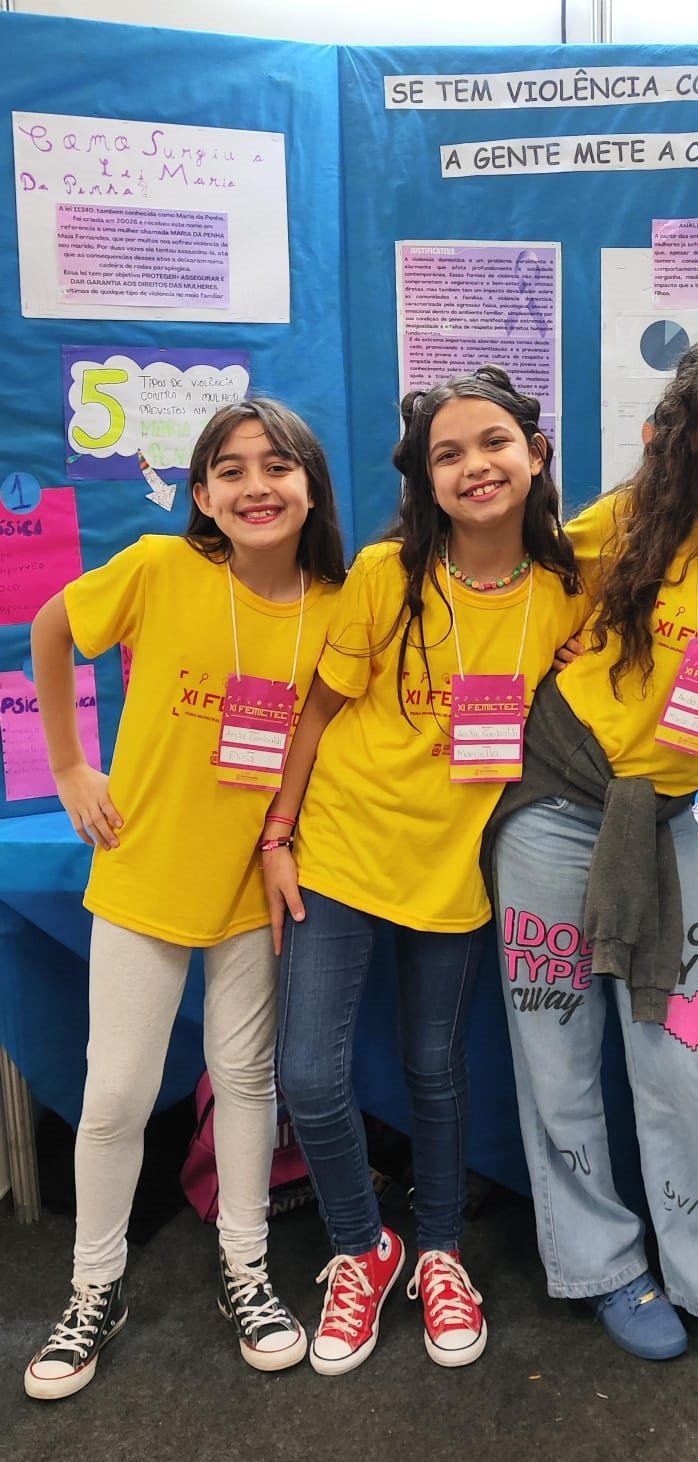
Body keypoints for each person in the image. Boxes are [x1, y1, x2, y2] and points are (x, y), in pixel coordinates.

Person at [483, 326, 698, 1384]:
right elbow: (531, 603)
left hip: (660, 819)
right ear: (686, 429)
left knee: (678, 1052)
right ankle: (602, 1265)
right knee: (553, 1044)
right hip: (551, 799)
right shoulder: (637, 517)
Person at [263, 366, 586, 1376]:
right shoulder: (384, 575)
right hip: (345, 854)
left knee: (435, 1072)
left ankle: (441, 1250)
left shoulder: (569, 595)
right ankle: (366, 1247)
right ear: (424, 479)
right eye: (447, 453)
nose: (473, 466)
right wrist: (277, 836)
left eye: (491, 442)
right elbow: (315, 711)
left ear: (533, 455)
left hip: (456, 872)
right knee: (311, 1079)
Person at [24, 399, 347, 1399]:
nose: (258, 485)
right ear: (201, 494)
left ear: (310, 483)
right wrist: (70, 765)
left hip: (254, 881)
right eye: (232, 469)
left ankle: (245, 1270)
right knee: (115, 1094)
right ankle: (93, 1286)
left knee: (246, 1080)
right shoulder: (163, 569)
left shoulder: (337, 601)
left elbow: (320, 733)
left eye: (278, 464)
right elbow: (49, 624)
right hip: (143, 870)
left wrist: (283, 836)